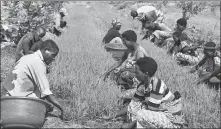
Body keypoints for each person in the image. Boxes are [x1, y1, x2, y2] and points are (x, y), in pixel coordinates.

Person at [102, 57, 186, 128]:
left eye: (137, 72)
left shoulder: (157, 85)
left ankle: (136, 125)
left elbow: (152, 110)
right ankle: (137, 124)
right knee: (134, 106)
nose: (135, 75)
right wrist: (113, 115)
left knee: (140, 114)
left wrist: (130, 124)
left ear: (146, 74)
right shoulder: (142, 86)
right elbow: (133, 104)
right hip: (157, 112)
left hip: (170, 118)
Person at [1, 39, 68, 121]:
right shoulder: (38, 63)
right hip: (14, 99)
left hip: (6, 95)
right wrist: (62, 108)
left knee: (43, 100)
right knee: (43, 106)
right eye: (53, 55)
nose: (53, 59)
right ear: (45, 50)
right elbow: (46, 92)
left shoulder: (30, 57)